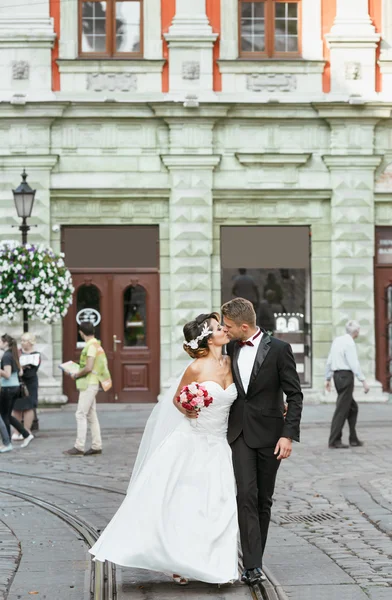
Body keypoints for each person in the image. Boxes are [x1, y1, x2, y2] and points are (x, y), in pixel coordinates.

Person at [90, 313, 239, 585]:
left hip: (218, 444)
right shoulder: (195, 368)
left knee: (221, 504)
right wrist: (189, 408)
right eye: (219, 328)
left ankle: (220, 567)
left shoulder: (231, 362)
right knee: (185, 504)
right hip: (192, 442)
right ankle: (178, 560)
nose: (225, 330)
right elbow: (177, 400)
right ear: (208, 338)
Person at [221, 297, 303, 586]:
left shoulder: (280, 350)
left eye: (228, 326)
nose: (224, 330)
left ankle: (256, 555)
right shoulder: (229, 347)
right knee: (245, 495)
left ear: (245, 326)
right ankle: (252, 565)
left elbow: (295, 396)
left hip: (271, 435)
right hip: (239, 433)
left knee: (263, 500)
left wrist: (288, 435)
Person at [325, 320, 369, 449]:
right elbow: (353, 363)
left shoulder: (337, 340)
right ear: (356, 332)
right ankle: (334, 440)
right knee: (342, 409)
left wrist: (327, 378)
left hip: (337, 376)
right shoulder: (350, 343)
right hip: (346, 376)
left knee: (352, 408)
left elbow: (329, 360)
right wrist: (363, 381)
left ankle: (353, 438)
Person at [63, 322, 104, 457]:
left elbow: (88, 367)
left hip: (88, 383)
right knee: (91, 415)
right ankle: (96, 445)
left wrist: (76, 374)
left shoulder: (91, 346)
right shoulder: (95, 344)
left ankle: (79, 446)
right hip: (92, 382)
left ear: (81, 332)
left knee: (80, 414)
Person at [0, 334, 34, 453]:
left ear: (5, 343)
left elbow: (7, 374)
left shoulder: (6, 356)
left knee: (3, 416)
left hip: (7, 388)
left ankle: (7, 443)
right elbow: (19, 372)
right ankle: (25, 434)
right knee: (7, 415)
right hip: (14, 387)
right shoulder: (13, 354)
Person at [12, 332, 41, 441]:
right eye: (22, 340)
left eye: (25, 340)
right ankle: (16, 431)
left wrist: (22, 369)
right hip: (17, 382)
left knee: (29, 406)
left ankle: (27, 430)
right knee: (16, 407)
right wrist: (21, 367)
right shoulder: (18, 353)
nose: (22, 343)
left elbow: (33, 371)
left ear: (31, 342)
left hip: (30, 383)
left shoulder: (36, 354)